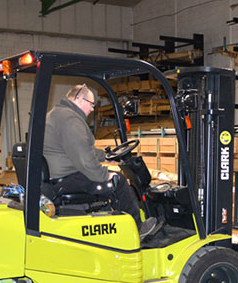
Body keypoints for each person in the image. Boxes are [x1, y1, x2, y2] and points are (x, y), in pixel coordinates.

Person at [43, 84, 157, 239]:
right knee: (119, 181)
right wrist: (104, 175)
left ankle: (117, 221)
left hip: (58, 176)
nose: (92, 109)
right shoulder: (70, 119)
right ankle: (138, 229)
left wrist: (105, 156)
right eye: (91, 104)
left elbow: (79, 148)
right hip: (68, 178)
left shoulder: (57, 114)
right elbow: (84, 161)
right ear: (78, 98)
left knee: (112, 177)